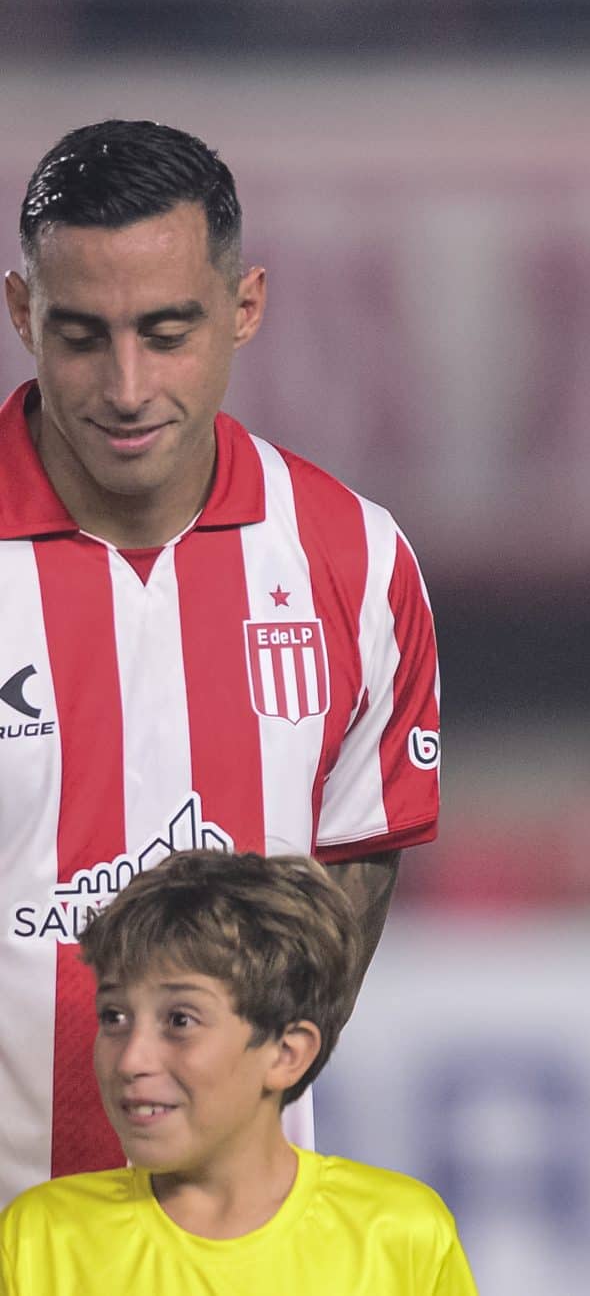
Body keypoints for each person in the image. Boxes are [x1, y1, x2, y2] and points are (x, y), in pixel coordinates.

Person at [0, 119, 440, 1205]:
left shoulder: (355, 559)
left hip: (244, 1245)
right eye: (81, 335)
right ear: (20, 314)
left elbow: (355, 869)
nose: (127, 383)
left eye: (166, 330)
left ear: (245, 308)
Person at [0, 850, 476, 1294]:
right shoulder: (38, 1238)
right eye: (114, 1017)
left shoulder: (400, 1237)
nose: (131, 1060)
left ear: (287, 1053)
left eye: (180, 1021)